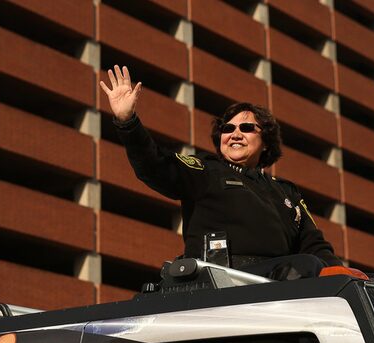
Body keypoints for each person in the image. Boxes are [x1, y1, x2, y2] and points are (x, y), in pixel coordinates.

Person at [101, 65, 348, 280]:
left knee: (365, 279)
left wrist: (345, 277)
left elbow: (315, 245)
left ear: (266, 141)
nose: (235, 133)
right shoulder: (206, 171)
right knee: (306, 266)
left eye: (247, 127)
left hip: (280, 279)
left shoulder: (287, 193)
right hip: (221, 279)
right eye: (228, 128)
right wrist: (128, 122)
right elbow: (155, 164)